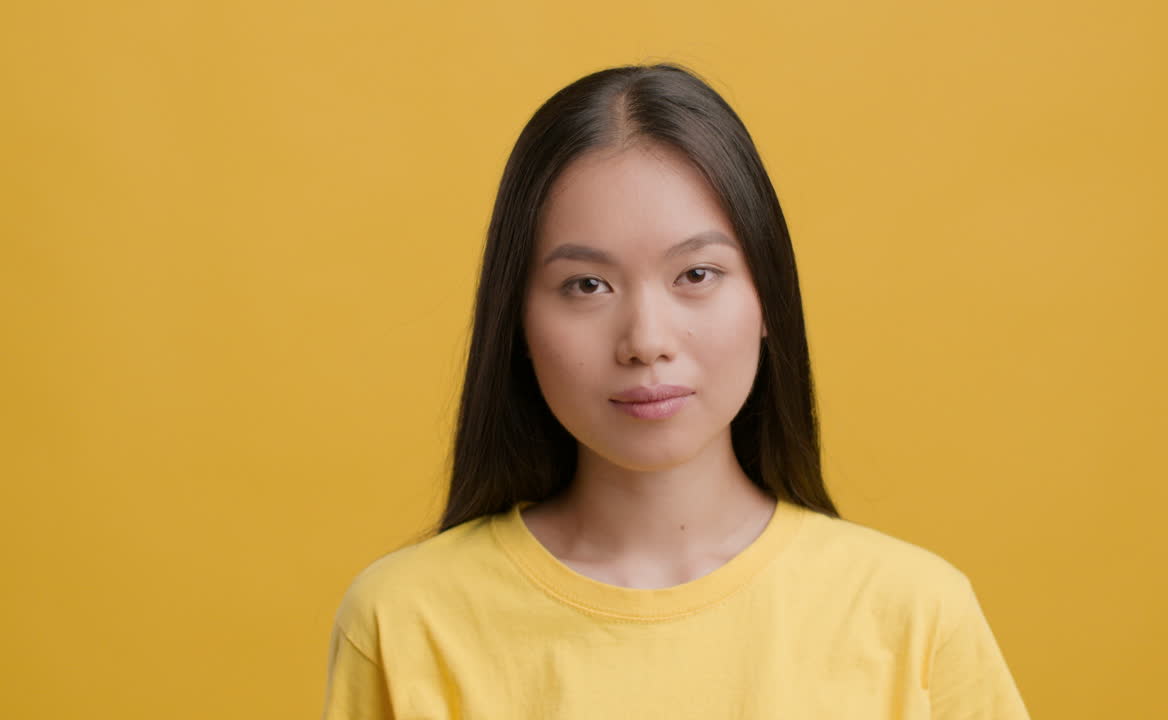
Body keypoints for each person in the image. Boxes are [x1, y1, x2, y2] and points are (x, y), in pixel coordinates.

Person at [321, 62, 1031, 719]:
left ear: (767, 302)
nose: (646, 339)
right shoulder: (404, 622)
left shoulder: (914, 615)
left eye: (696, 275)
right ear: (517, 322)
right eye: (587, 285)